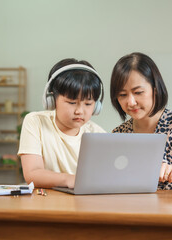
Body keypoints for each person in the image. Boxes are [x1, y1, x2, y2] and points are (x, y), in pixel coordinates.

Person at [110, 52, 172, 191]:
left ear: (155, 89)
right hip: (133, 209)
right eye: (122, 95)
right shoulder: (118, 135)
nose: (131, 102)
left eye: (138, 92)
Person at [18, 58, 106, 188]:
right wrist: (70, 180)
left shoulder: (98, 134)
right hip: (46, 203)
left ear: (97, 106)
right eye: (72, 103)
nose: (79, 111)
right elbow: (32, 174)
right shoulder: (35, 122)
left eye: (88, 104)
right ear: (52, 99)